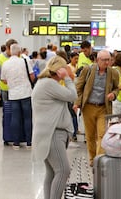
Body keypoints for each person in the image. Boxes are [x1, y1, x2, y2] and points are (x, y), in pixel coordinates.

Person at [31, 56, 77, 199]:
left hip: (47, 133)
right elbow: (72, 95)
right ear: (59, 70)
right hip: (52, 134)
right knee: (63, 170)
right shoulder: (48, 84)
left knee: (52, 172)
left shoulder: (44, 83)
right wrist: (68, 78)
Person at [73, 50, 119, 166]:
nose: (107, 62)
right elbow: (79, 87)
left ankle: (99, 160)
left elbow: (116, 88)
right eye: (104, 60)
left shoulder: (113, 73)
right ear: (98, 60)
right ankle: (92, 159)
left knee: (102, 134)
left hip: (103, 108)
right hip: (88, 106)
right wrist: (77, 102)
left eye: (109, 60)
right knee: (90, 136)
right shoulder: (88, 70)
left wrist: (113, 94)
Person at [1, 43, 35, 150]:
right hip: (26, 93)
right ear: (19, 52)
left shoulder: (6, 64)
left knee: (15, 118)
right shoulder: (24, 61)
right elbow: (32, 76)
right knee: (27, 118)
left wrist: (12, 83)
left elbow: (3, 79)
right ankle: (29, 142)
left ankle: (16, 143)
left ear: (10, 52)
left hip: (13, 94)